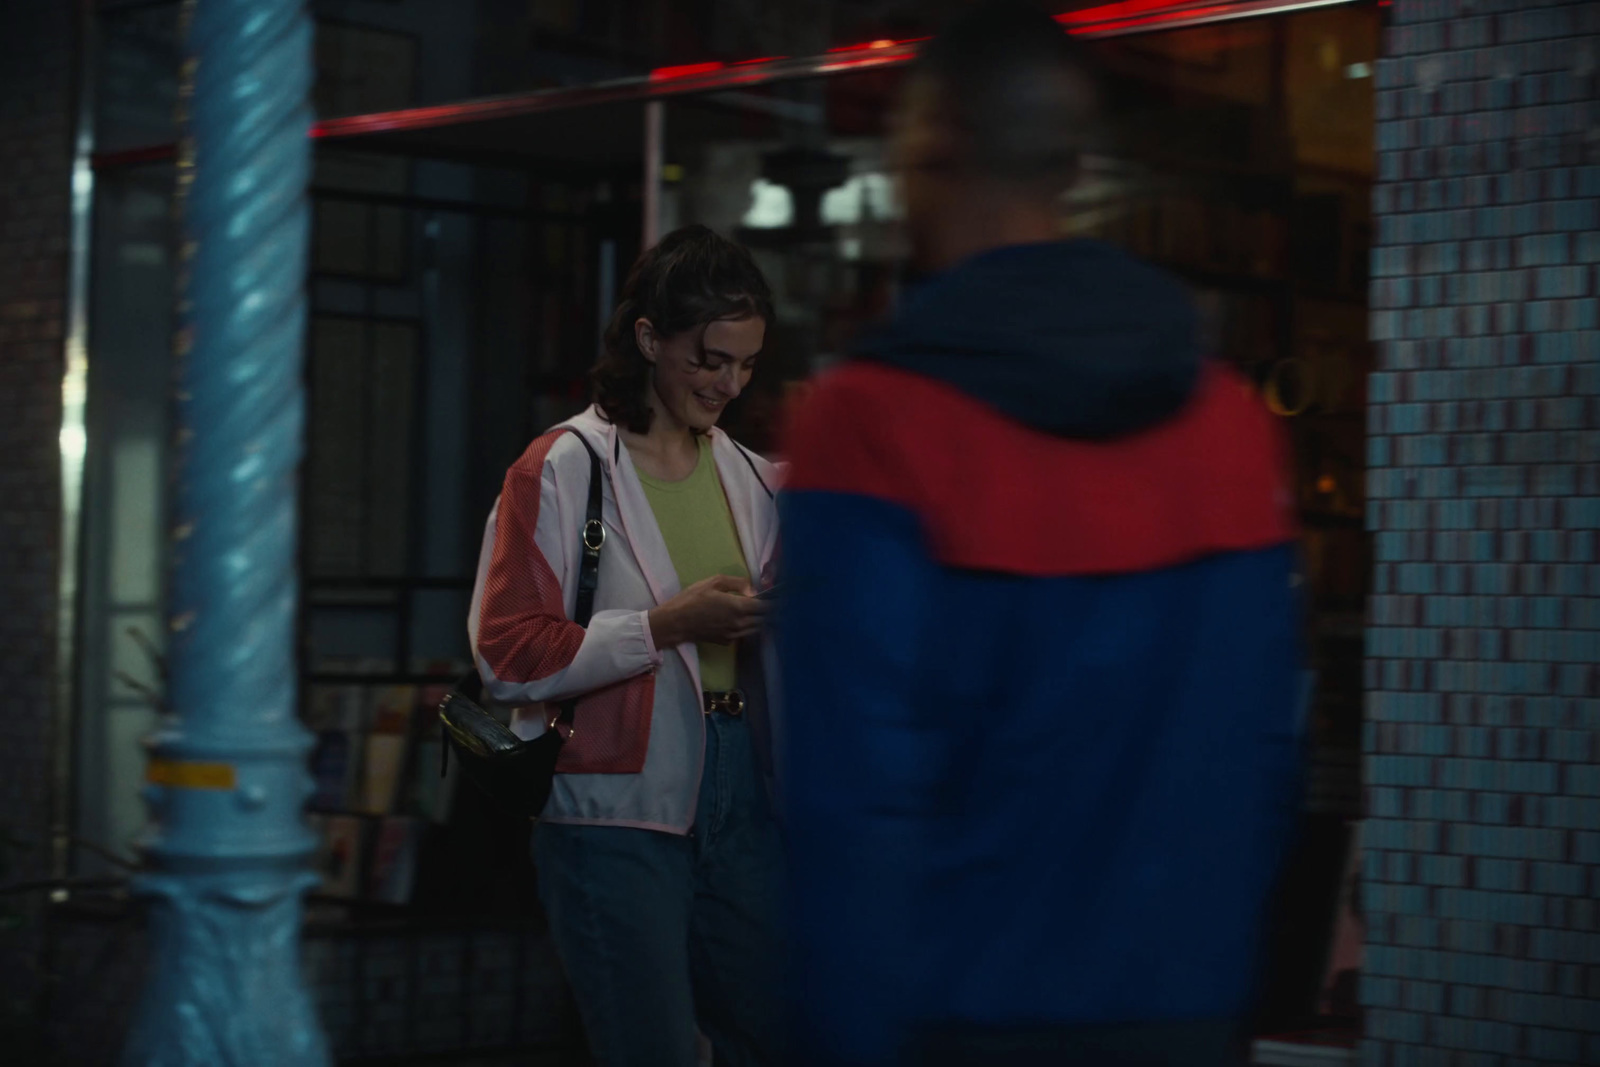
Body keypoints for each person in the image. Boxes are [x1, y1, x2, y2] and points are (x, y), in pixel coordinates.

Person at [777, 6, 1304, 1065]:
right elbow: (1266, 748)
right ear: (1069, 166)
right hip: (1182, 1009)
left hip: (955, 1018)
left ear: (929, 144)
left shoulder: (870, 424)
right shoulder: (1231, 422)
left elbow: (853, 802)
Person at [468, 225, 785, 1067]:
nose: (729, 384)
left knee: (778, 1032)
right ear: (649, 338)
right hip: (612, 811)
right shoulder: (566, 467)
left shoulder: (754, 477)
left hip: (741, 792)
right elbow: (505, 655)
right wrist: (662, 626)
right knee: (650, 1048)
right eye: (709, 359)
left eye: (747, 364)